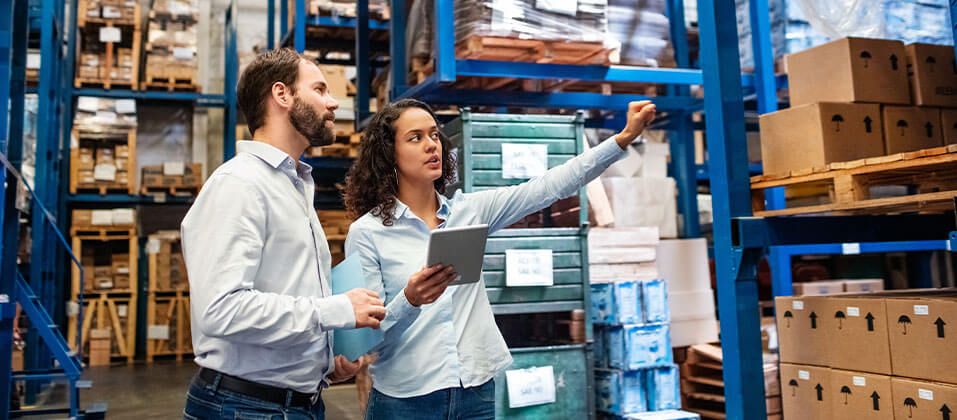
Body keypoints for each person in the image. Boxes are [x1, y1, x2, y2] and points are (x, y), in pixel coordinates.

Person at [343, 98, 657, 419]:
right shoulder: (366, 233)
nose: (431, 145)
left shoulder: (470, 211)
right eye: (415, 138)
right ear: (388, 153)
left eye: (434, 135)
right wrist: (410, 300)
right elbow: (364, 340)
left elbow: (550, 186)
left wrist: (624, 138)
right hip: (405, 401)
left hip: (475, 392)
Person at [180, 48, 387, 420]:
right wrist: (335, 311)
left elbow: (287, 292)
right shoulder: (239, 184)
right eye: (320, 89)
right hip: (245, 408)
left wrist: (323, 361)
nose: (333, 102)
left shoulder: (294, 184)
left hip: (295, 403)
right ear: (282, 95)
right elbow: (221, 310)